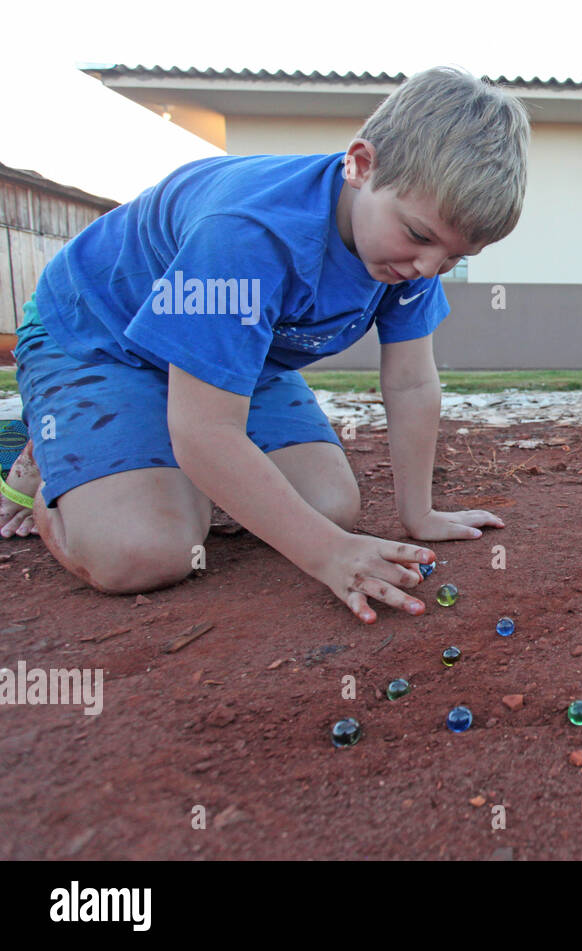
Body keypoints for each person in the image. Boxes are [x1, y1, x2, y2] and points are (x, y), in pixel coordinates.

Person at [0, 66, 530, 621]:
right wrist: (328, 555)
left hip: (234, 362)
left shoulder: (409, 257)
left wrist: (417, 514)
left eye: (454, 257)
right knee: (146, 552)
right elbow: (205, 430)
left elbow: (412, 380)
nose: (428, 267)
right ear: (361, 164)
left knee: (329, 506)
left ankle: (140, 452)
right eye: (420, 237)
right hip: (99, 339)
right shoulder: (248, 235)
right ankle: (49, 462)